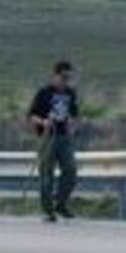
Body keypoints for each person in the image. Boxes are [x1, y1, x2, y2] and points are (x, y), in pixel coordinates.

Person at [27, 60, 80, 223]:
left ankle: (61, 203)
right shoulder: (44, 93)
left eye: (69, 78)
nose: (66, 81)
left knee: (71, 171)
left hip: (64, 136)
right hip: (48, 136)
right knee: (46, 174)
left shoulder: (71, 93)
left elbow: (75, 114)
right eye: (63, 77)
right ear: (55, 76)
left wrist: (73, 122)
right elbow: (31, 115)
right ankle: (48, 210)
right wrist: (43, 122)